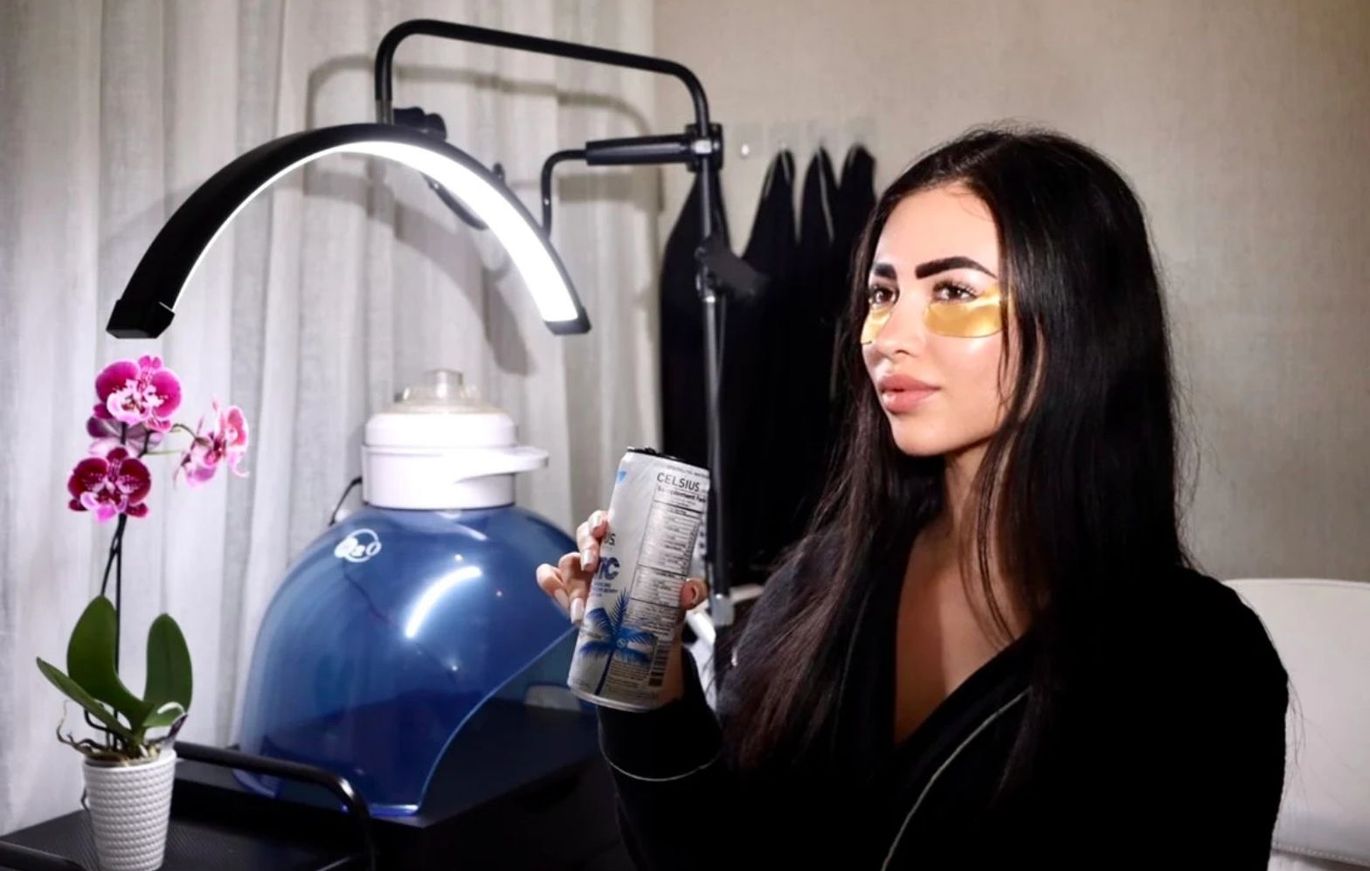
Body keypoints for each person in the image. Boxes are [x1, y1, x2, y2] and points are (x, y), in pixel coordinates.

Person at [535, 126, 1288, 869]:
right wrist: (650, 665)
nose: (887, 335)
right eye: (882, 292)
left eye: (953, 290)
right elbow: (706, 848)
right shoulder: (818, 583)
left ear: (1075, 319)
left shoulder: (1200, 662)